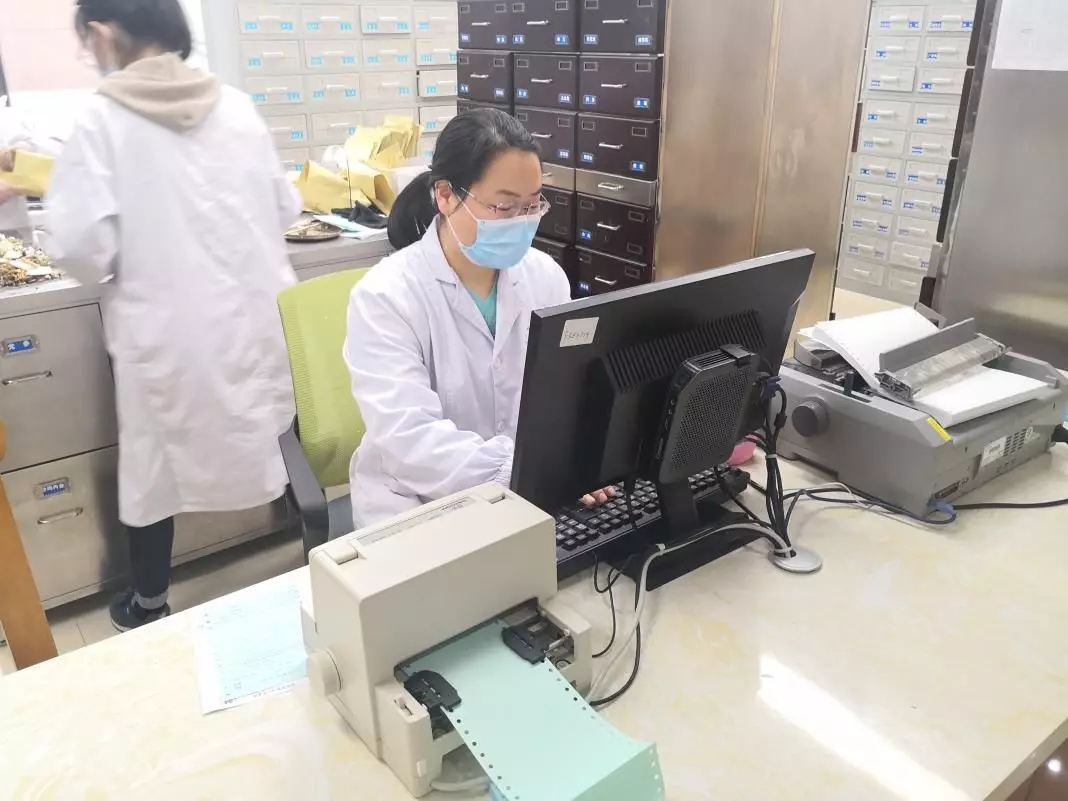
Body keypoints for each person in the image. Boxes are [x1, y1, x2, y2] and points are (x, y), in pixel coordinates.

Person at [46, 0, 302, 631]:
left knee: (154, 469)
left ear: (103, 33)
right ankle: (315, 560)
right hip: (252, 319)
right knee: (275, 433)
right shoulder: (236, 106)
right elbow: (286, 208)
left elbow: (80, 248)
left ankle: (149, 602)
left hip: (166, 333)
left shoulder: (102, 119)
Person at [344, 109, 613, 527]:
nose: (521, 221)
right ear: (445, 195)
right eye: (504, 206)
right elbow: (408, 440)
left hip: (527, 493)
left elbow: (566, 397)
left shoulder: (545, 278)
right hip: (416, 504)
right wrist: (524, 469)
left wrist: (578, 461)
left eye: (532, 205)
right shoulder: (386, 296)